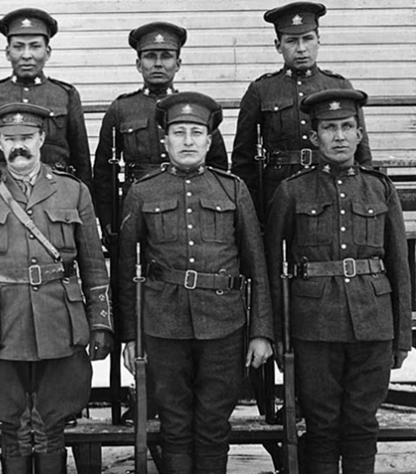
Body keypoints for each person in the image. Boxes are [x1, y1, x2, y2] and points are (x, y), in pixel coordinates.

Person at [0, 102, 114, 473]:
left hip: (59, 318)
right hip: (0, 324)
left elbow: (92, 265)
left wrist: (101, 322)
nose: (18, 146)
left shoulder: (73, 193)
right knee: (13, 425)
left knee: (51, 423)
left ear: (42, 138)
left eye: (26, 137)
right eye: (10, 139)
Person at [118, 92, 274, 474]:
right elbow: (125, 269)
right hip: (163, 322)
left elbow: (257, 266)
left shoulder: (232, 189)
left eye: (196, 133)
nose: (187, 140)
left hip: (223, 322)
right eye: (178, 132)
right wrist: (131, 334)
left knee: (213, 422)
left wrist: (261, 331)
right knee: (174, 421)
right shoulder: (143, 191)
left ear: (208, 141)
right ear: (164, 140)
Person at [265, 89, 411, 474]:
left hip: (374, 322)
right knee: (322, 424)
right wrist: (279, 336)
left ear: (360, 134)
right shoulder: (292, 191)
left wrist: (402, 335)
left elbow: (399, 264)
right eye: (330, 128)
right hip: (313, 325)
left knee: (362, 424)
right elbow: (272, 267)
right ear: (315, 137)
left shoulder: (379, 187)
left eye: (348, 126)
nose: (340, 136)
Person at [231, 1, 371, 221]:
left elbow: (362, 152)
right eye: (292, 41)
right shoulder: (261, 90)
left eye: (308, 38)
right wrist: (250, 212)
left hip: (330, 185)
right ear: (278, 45)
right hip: (277, 189)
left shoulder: (339, 86)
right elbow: (243, 159)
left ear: (318, 41)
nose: (301, 48)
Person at [92, 21, 228, 241]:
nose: (157, 64)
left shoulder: (194, 107)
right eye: (150, 56)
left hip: (188, 204)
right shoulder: (121, 109)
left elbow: (218, 164)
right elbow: (103, 174)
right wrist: (108, 220)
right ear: (138, 64)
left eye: (166, 56)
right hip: (136, 207)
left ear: (178, 63)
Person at [0, 8, 92, 203]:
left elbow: (81, 160)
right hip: (0, 199)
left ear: (47, 52)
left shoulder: (65, 95)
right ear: (7, 52)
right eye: (19, 47)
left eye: (35, 46)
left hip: (57, 198)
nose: (26, 55)